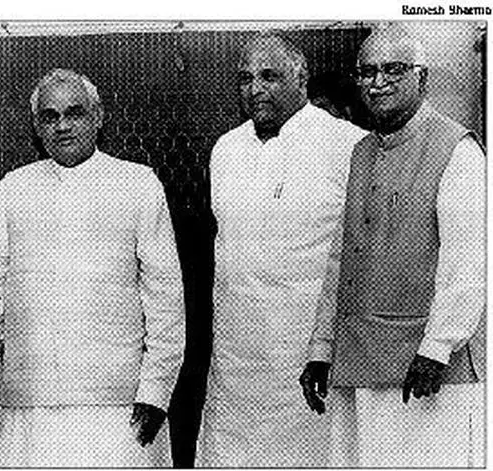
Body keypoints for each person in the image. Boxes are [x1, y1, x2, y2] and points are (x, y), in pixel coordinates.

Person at [0, 69, 185, 467]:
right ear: (36, 126)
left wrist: (156, 390)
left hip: (121, 408)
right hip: (29, 407)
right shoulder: (13, 189)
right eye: (49, 116)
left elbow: (166, 301)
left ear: (98, 116)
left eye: (74, 113)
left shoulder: (138, 185)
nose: (62, 126)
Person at [301, 26, 485, 467]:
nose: (378, 81)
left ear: (422, 79)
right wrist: (322, 350)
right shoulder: (361, 151)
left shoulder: (456, 150)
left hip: (426, 368)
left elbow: (469, 260)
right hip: (360, 358)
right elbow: (341, 260)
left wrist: (438, 347)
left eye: (393, 70)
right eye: (367, 71)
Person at [198, 32, 365, 467]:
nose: (255, 89)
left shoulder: (346, 145)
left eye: (269, 76)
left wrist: (326, 349)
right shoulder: (226, 150)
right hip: (236, 359)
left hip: (307, 359)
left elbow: (358, 256)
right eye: (245, 78)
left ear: (301, 77)